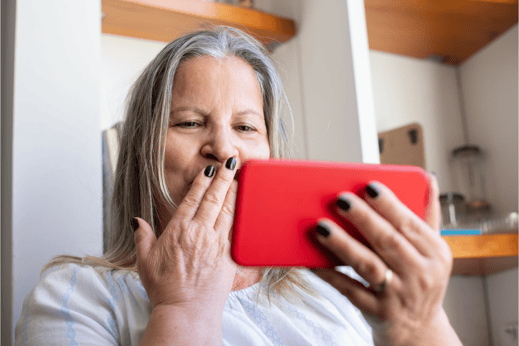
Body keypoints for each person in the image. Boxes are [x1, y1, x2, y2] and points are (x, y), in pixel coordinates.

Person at [15, 27, 462, 345]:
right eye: (190, 123)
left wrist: (419, 326)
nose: (223, 147)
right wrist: (180, 312)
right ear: (143, 150)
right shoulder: (74, 296)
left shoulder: (339, 285)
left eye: (246, 128)